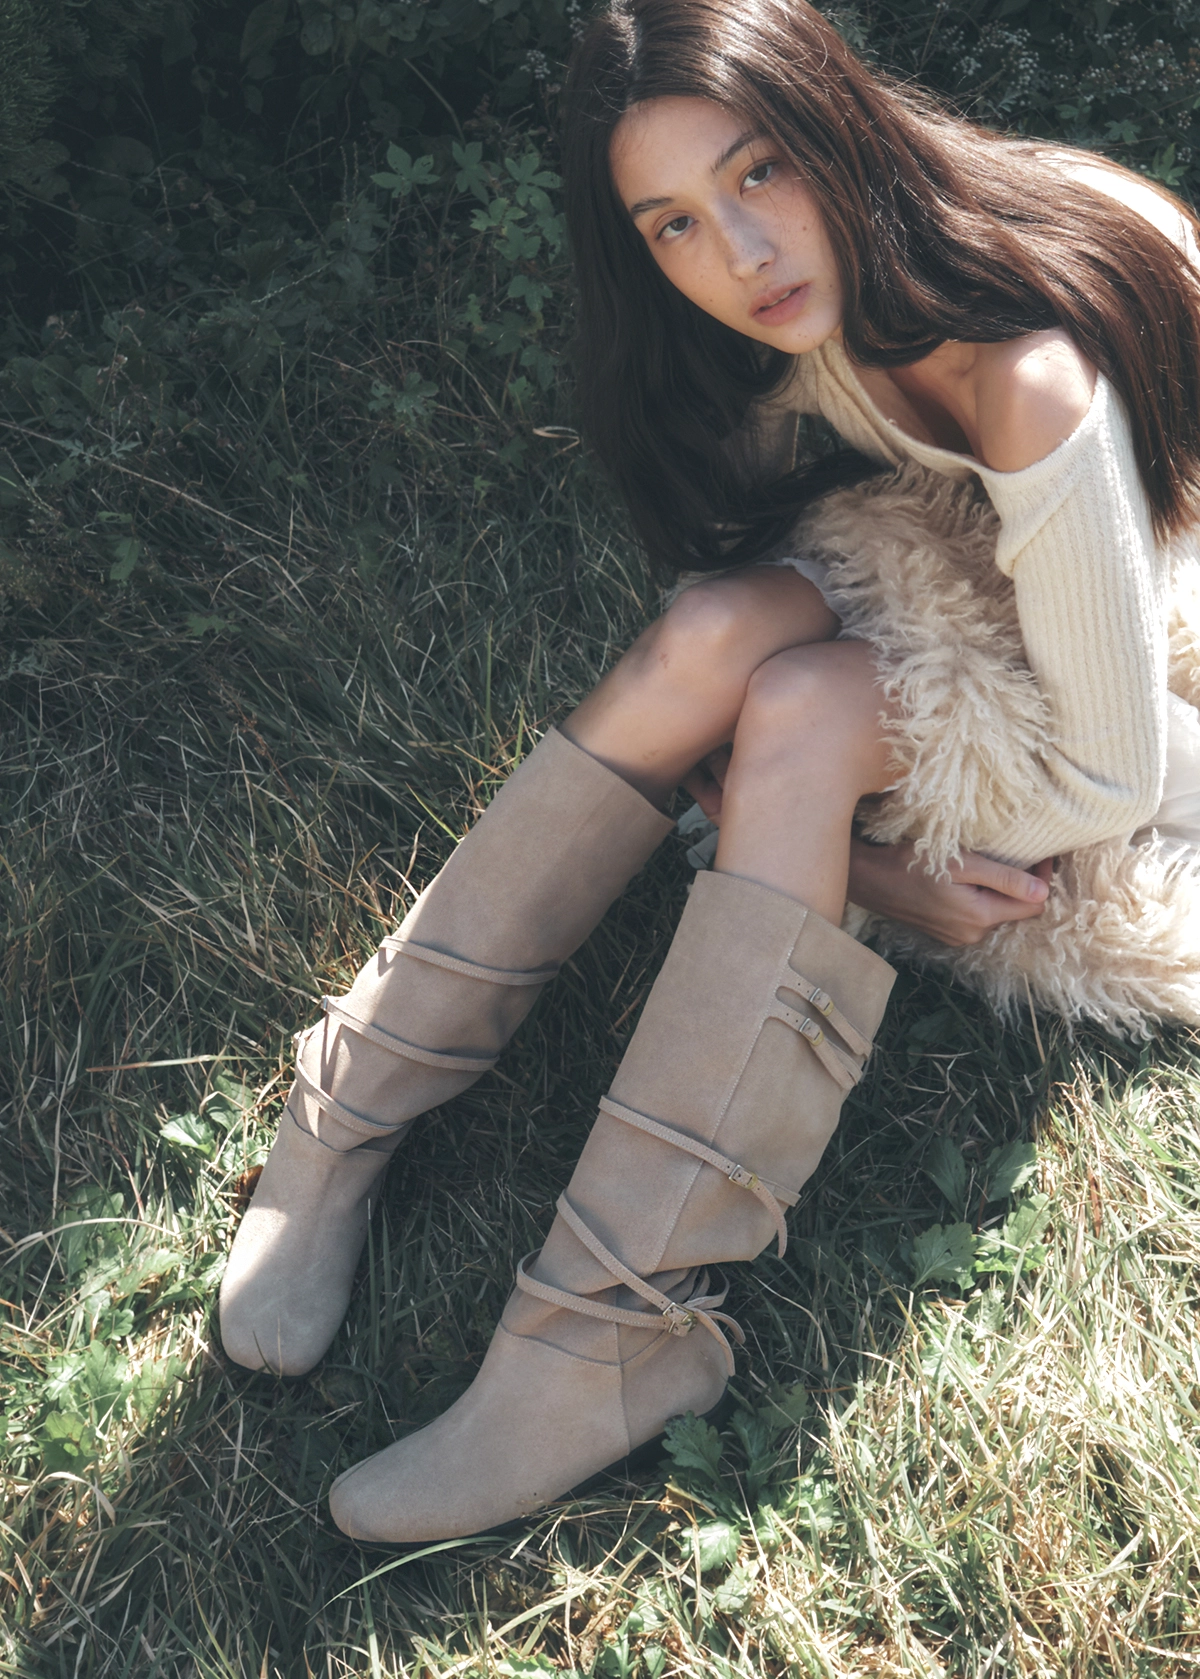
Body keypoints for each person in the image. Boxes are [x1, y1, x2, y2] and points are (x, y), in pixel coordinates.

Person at [218, 0, 1200, 1542]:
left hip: (1136, 673)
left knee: (803, 706)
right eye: (673, 219)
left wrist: (864, 859)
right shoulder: (774, 333)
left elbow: (1109, 776)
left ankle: (608, 1334)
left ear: (834, 127)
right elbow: (748, 561)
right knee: (710, 634)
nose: (737, 251)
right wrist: (797, 826)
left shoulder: (1023, 370)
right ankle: (351, 1100)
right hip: (957, 563)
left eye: (759, 171)